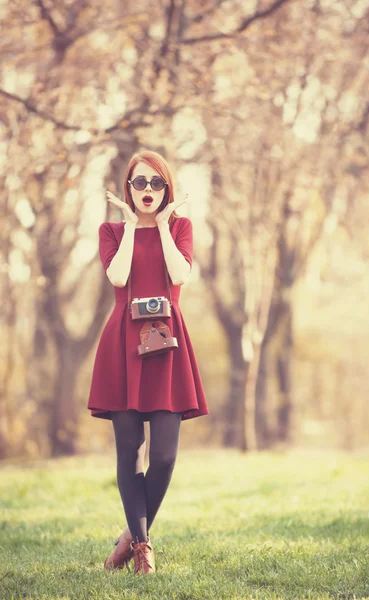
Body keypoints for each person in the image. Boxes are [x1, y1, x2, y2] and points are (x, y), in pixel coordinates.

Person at [87, 149, 209, 575]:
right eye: (140, 183)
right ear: (128, 187)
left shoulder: (179, 228)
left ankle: (128, 536)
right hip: (123, 342)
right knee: (129, 452)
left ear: (166, 188)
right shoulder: (110, 230)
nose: (148, 191)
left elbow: (179, 276)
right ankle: (142, 549)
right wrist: (128, 230)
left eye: (156, 183)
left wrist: (159, 227)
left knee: (164, 457)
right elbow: (118, 278)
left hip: (166, 343)